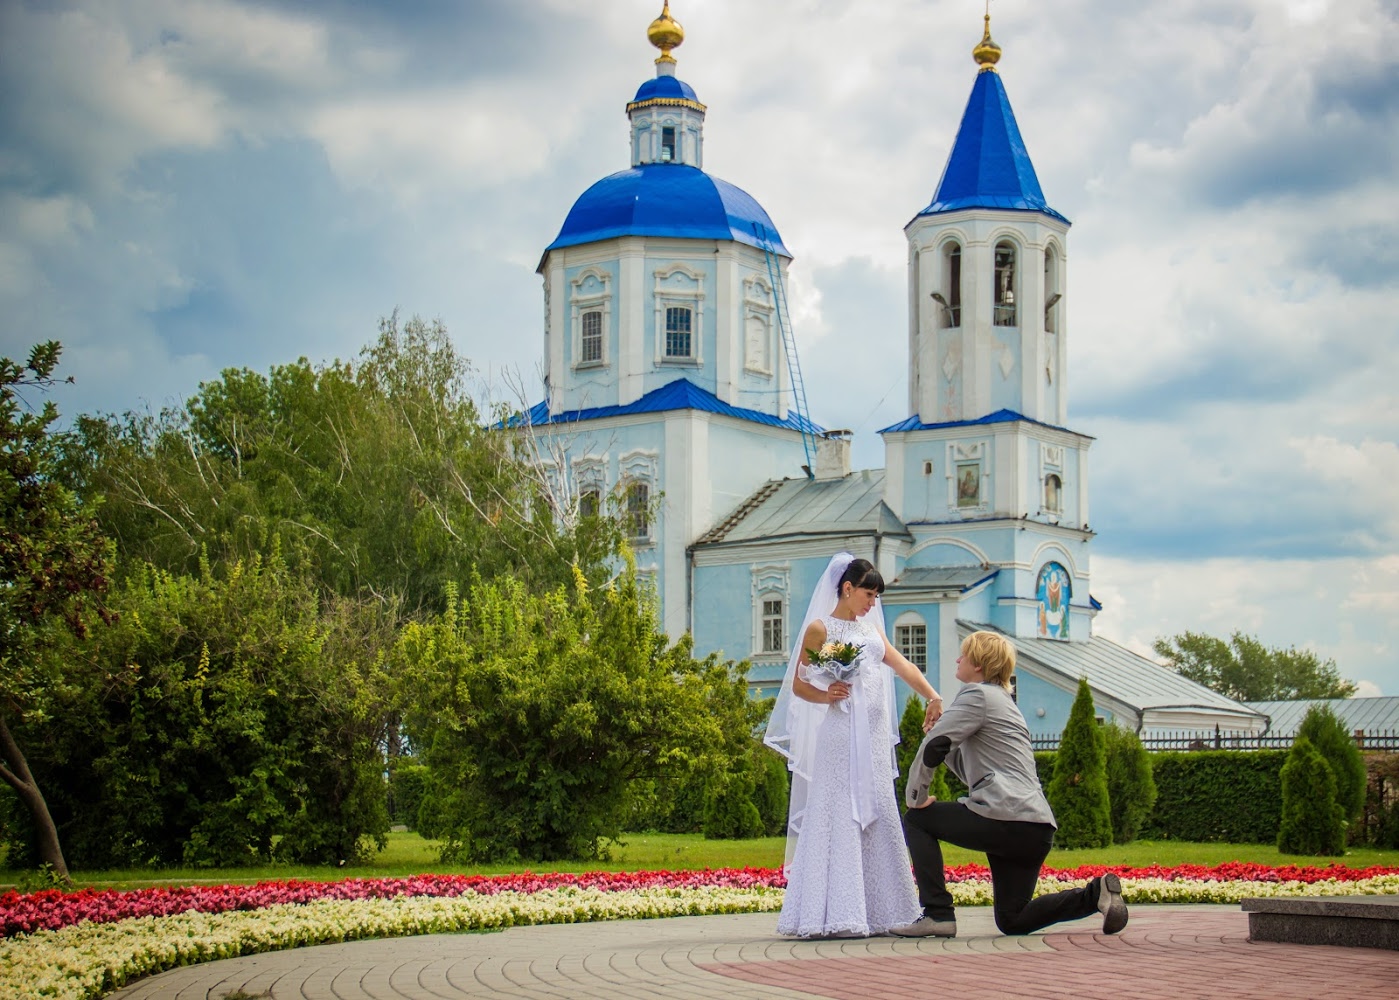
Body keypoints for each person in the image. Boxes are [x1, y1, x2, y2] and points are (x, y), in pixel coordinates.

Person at [893, 629, 1128, 939]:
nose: (957, 658)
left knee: (918, 819)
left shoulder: (976, 695)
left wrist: (916, 796)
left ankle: (937, 914)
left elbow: (935, 746)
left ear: (978, 665)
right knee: (1012, 919)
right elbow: (970, 769)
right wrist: (938, 737)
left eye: (964, 654)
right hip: (1035, 827)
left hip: (1003, 817)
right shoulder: (1004, 702)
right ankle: (1096, 893)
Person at [764, 553, 944, 938]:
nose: (873, 603)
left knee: (879, 808)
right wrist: (826, 693)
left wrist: (933, 695)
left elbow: (902, 665)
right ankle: (834, 912)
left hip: (875, 741)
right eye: (869, 593)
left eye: (876, 596)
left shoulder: (871, 632)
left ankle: (885, 910)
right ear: (848, 589)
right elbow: (798, 685)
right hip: (841, 736)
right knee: (838, 812)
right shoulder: (819, 629)